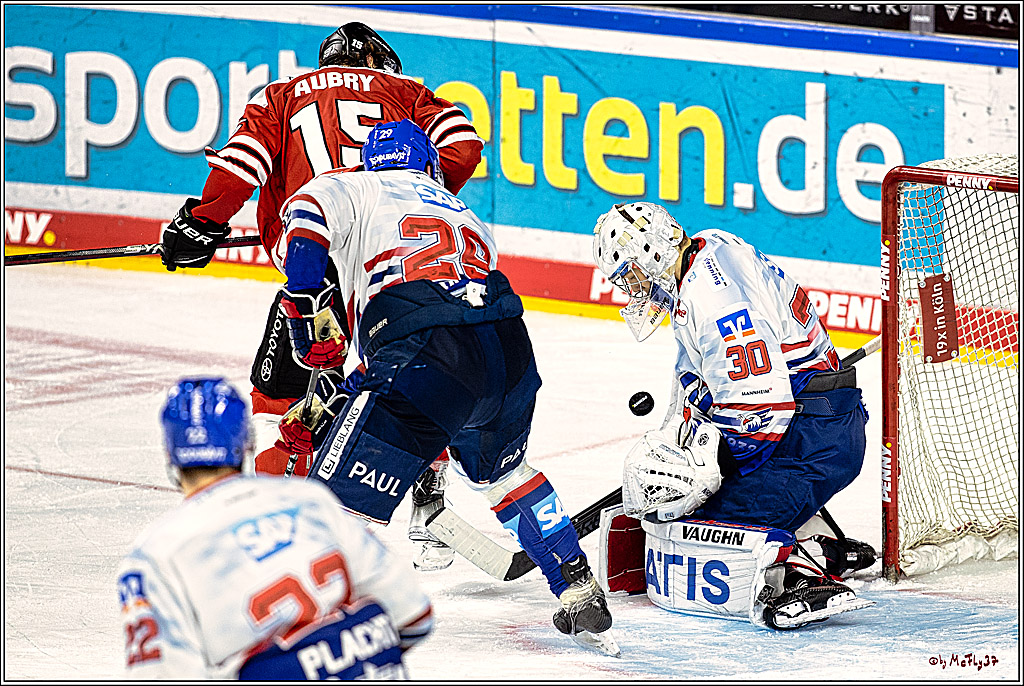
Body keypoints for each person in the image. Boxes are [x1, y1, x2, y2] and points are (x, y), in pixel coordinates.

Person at [271, 118, 619, 655]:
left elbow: (305, 230)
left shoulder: (350, 184)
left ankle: (308, 616)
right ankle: (576, 582)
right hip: (506, 347)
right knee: (505, 475)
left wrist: (301, 303)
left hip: (425, 347)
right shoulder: (466, 214)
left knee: (335, 494)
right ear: (430, 166)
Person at [157, 22, 482, 482]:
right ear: (381, 64)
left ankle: (280, 498)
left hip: (315, 257)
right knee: (408, 371)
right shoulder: (408, 90)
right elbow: (464, 148)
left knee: (284, 399)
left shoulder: (281, 95)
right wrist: (415, 192)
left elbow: (240, 166)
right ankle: (429, 475)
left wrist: (202, 223)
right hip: (392, 256)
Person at [592, 201, 875, 630]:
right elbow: (705, 382)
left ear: (652, 254)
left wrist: (703, 474)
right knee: (693, 505)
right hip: (816, 424)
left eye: (629, 276)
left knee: (698, 523)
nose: (630, 290)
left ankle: (805, 569)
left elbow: (763, 411)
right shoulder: (706, 253)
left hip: (809, 438)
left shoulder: (714, 301)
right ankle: (827, 543)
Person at [116, 378, 433, 679]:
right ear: (246, 442)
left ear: (171, 454)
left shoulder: (155, 555)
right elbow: (413, 615)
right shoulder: (310, 500)